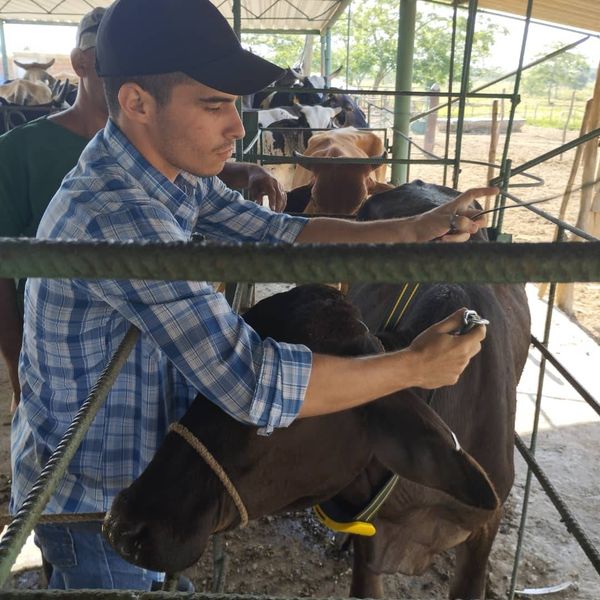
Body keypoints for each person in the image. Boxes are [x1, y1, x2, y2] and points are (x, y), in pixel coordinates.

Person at [11, 0, 492, 590]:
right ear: (137, 102)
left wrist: (415, 228)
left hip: (139, 468)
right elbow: (251, 382)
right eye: (214, 105)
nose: (238, 127)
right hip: (97, 496)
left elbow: (279, 230)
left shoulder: (165, 173)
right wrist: (415, 367)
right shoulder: (120, 213)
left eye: (234, 104)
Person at [0, 8, 286, 415]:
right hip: (81, 370)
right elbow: (5, 268)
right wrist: (16, 369)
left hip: (145, 356)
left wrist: (249, 170)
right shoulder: (21, 153)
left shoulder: (152, 149)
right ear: (85, 63)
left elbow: (204, 183)